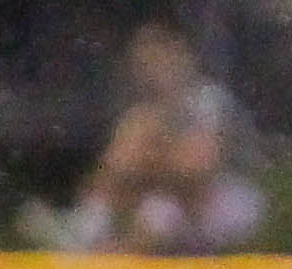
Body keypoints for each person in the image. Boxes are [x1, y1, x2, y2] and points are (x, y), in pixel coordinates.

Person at [20, 21, 264, 255]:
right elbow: (113, 170)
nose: (149, 67)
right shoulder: (142, 110)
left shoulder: (208, 100)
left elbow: (196, 170)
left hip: (227, 202)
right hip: (171, 199)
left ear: (180, 54)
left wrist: (143, 169)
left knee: (159, 210)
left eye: (156, 56)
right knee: (154, 205)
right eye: (142, 60)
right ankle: (85, 232)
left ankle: (90, 256)